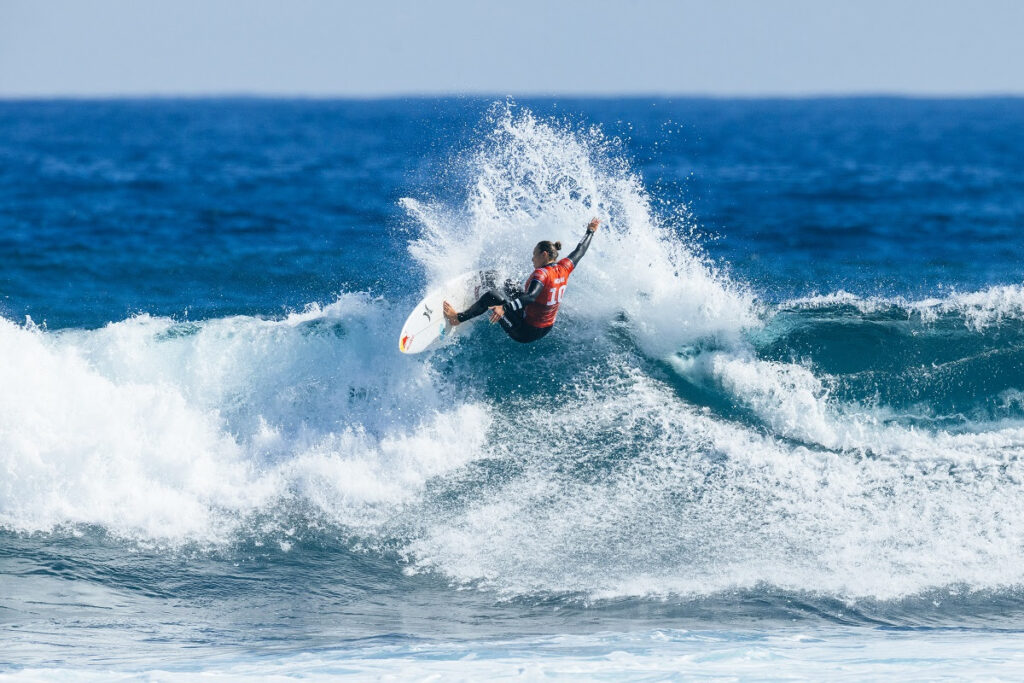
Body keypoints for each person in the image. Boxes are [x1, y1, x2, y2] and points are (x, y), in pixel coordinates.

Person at [443, 217, 600, 343]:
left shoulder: (542, 274)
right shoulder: (564, 267)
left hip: (526, 331)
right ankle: (485, 291)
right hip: (545, 325)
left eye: (534, 254)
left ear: (544, 255)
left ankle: (458, 318)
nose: (532, 259)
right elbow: (580, 251)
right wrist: (590, 231)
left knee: (493, 296)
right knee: (509, 283)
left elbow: (530, 296)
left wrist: (504, 308)